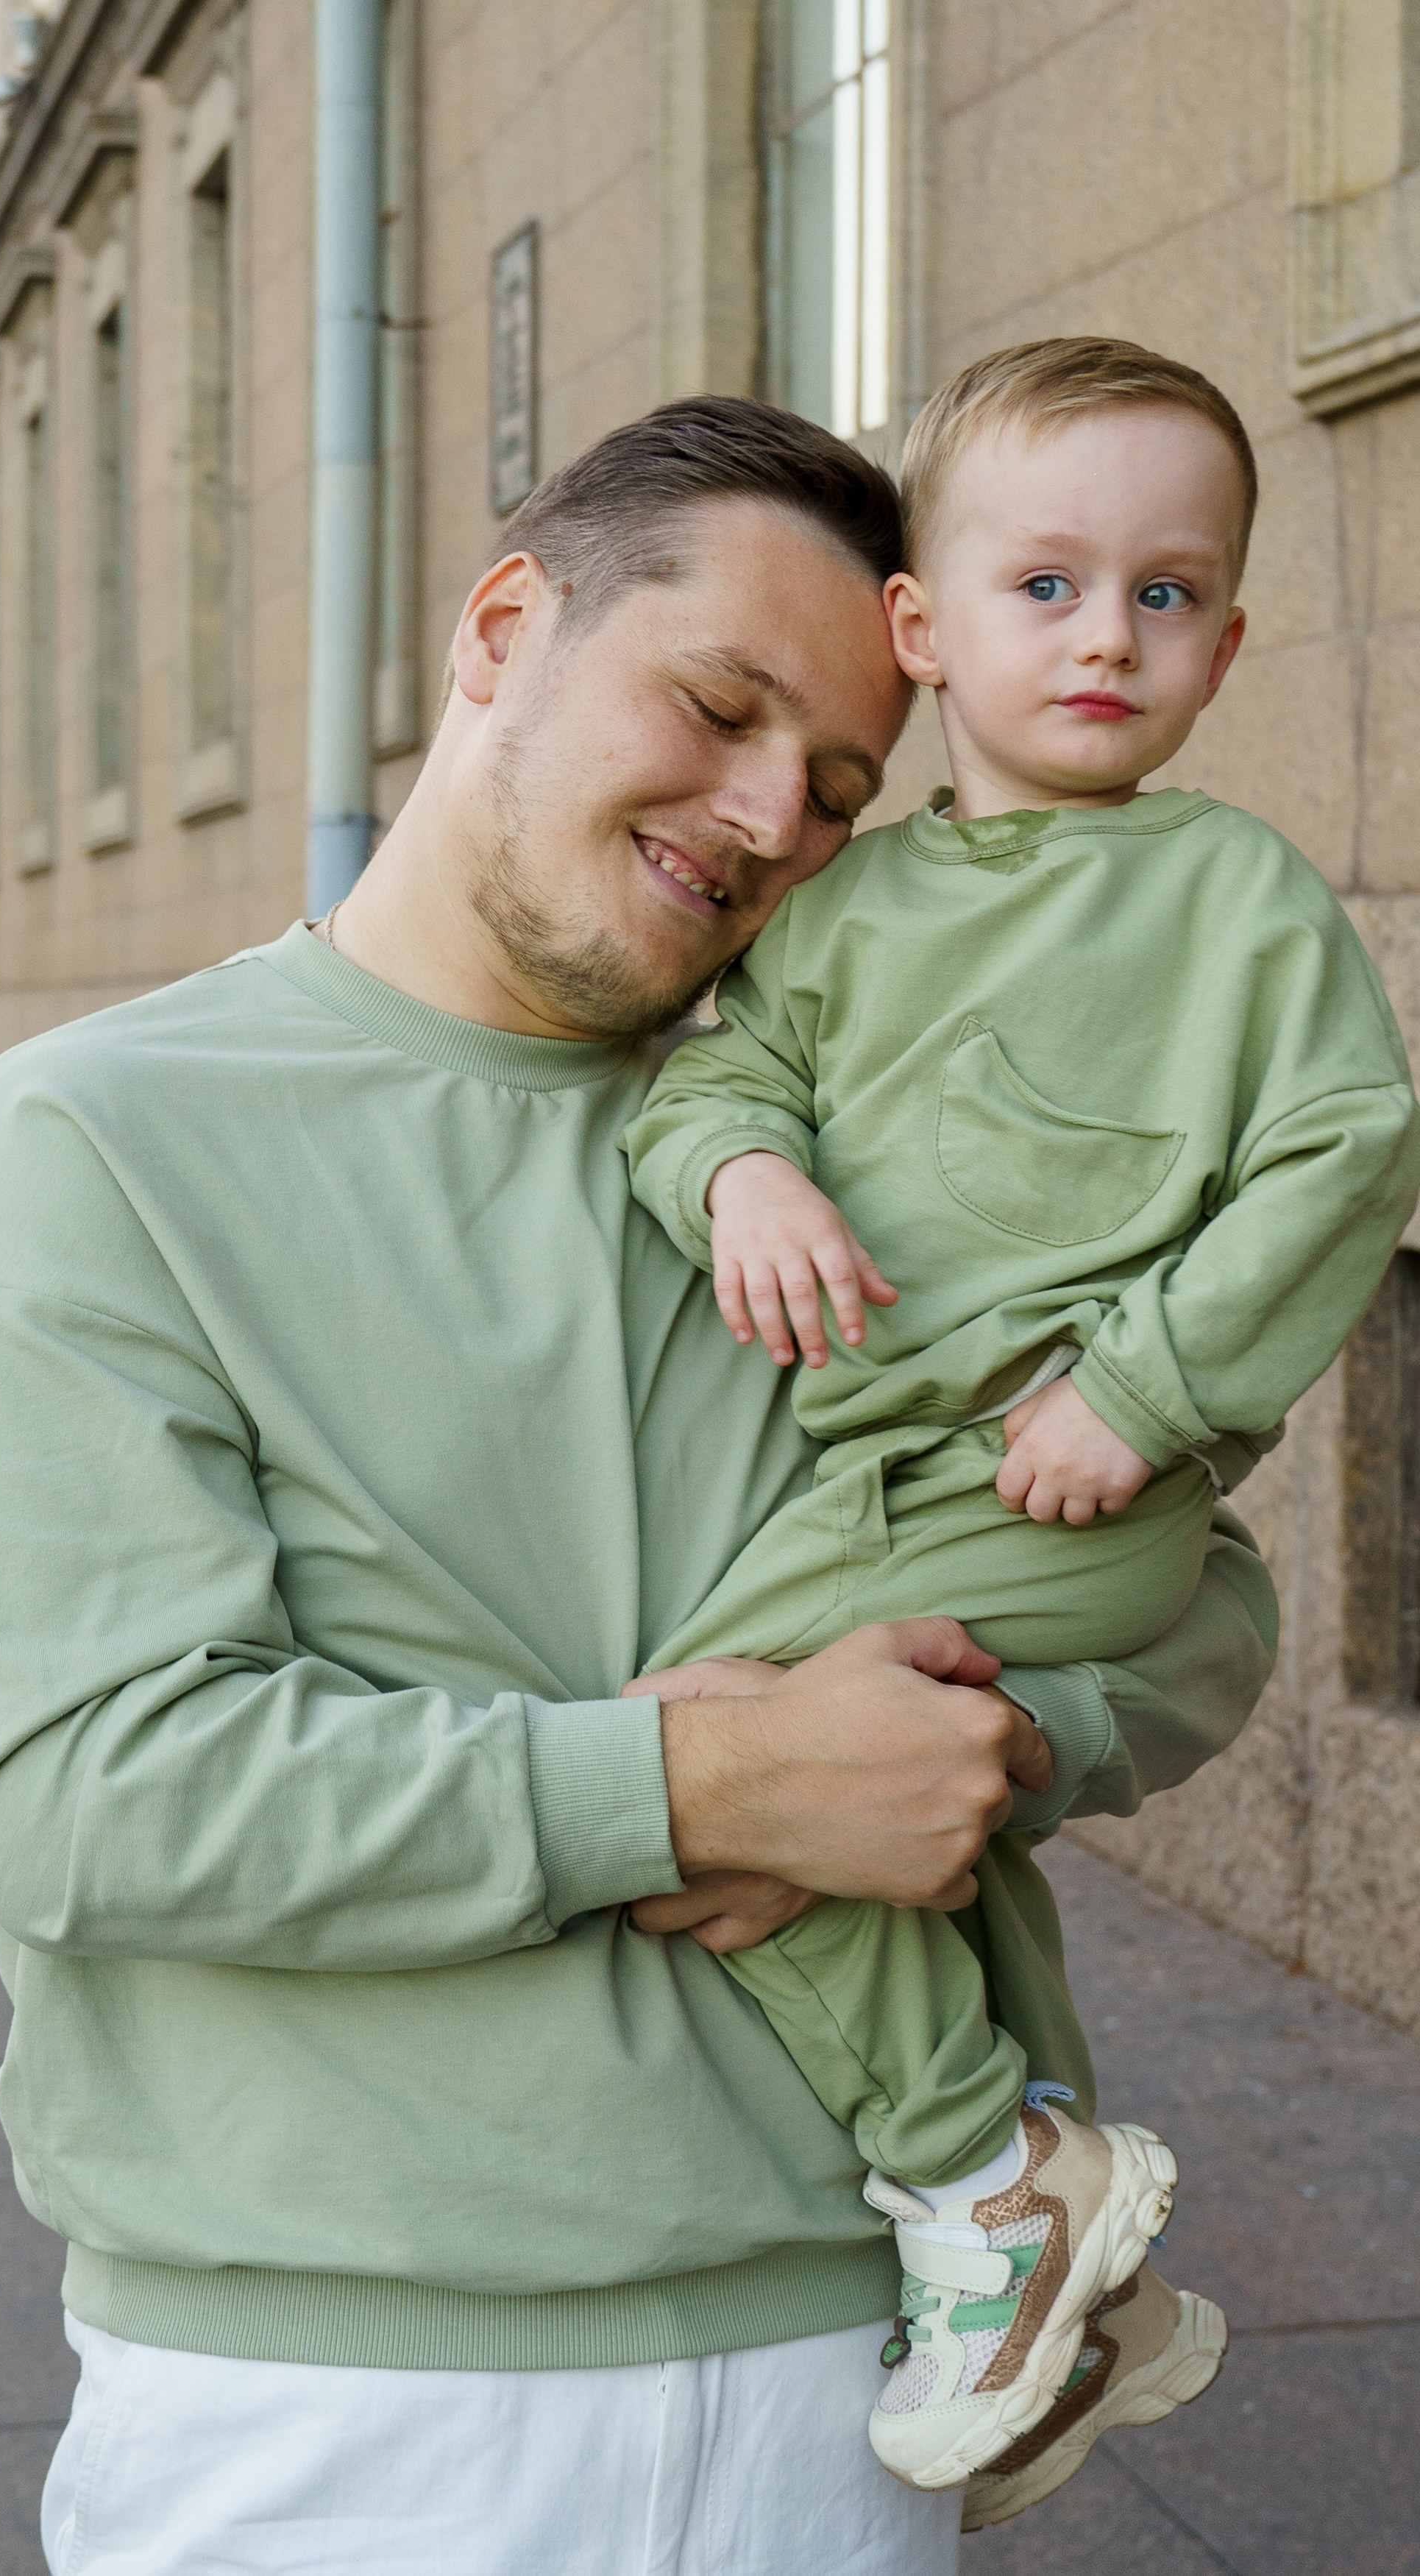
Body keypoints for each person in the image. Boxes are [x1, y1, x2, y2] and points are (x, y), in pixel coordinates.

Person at [0, 396, 1279, 2576]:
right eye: (719, 708)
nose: (765, 820)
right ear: (507, 626)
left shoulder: (828, 1150)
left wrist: (979, 1747)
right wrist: (708, 1785)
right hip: (329, 2407)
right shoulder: (91, 1139)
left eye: (835, 787)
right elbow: (86, 1790)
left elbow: (1200, 1598)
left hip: (854, 2371)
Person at [624, 344, 1420, 2508]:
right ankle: (1083, 2270)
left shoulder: (1232, 897)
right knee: (907, 1824)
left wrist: (1142, 1389)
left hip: (1059, 1479)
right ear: (926, 631)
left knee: (713, 1757)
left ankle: (980, 2178)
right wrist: (743, 1175)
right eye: (1048, 582)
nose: (1106, 635)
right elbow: (715, 1081)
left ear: (1231, 644)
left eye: (1168, 597)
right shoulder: (843, 909)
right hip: (871, 1467)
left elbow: (1349, 1149)